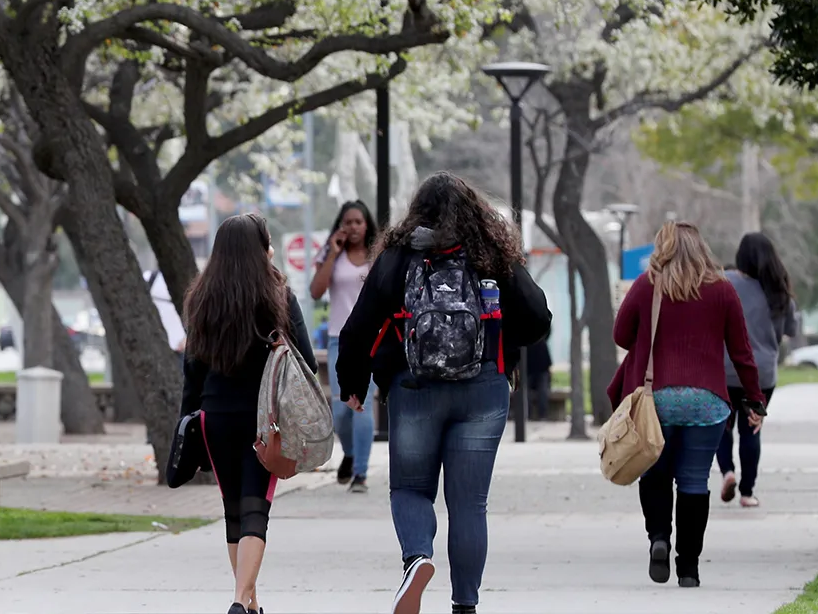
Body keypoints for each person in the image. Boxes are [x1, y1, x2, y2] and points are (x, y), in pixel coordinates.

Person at [333, 173, 552, 614]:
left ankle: (417, 557)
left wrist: (353, 385)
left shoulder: (397, 256)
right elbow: (537, 317)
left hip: (415, 389)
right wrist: (501, 346)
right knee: (469, 504)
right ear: (474, 210)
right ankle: (465, 605)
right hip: (484, 391)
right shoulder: (492, 254)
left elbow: (357, 328)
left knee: (411, 489)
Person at [609, 222, 766, 589]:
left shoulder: (648, 285)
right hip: (707, 401)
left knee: (654, 473)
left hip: (657, 399)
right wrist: (755, 399)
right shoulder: (723, 289)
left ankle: (659, 538)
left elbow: (621, 334)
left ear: (662, 248)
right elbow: (742, 353)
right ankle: (689, 568)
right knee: (694, 480)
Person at [178, 213, 316, 614]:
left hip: (215, 418)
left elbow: (192, 369)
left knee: (232, 508)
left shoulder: (200, 298)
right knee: (257, 507)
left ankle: (251, 603)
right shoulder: (277, 296)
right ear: (262, 249)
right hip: (263, 421)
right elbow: (304, 359)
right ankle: (240, 599)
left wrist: (188, 421)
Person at [716, 233, 799, 507]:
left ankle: (727, 471)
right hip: (762, 375)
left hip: (724, 369)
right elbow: (790, 331)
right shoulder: (780, 292)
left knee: (721, 426)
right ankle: (748, 493)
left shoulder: (725, 283)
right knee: (752, 429)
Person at [310, 200, 378, 490]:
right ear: (341, 225)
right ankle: (349, 455)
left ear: (367, 225)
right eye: (348, 222)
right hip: (339, 339)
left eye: (358, 222)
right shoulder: (331, 255)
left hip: (371, 340)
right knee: (340, 410)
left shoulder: (378, 254)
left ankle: (361, 473)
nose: (353, 227)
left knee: (361, 406)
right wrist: (333, 254)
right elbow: (315, 292)